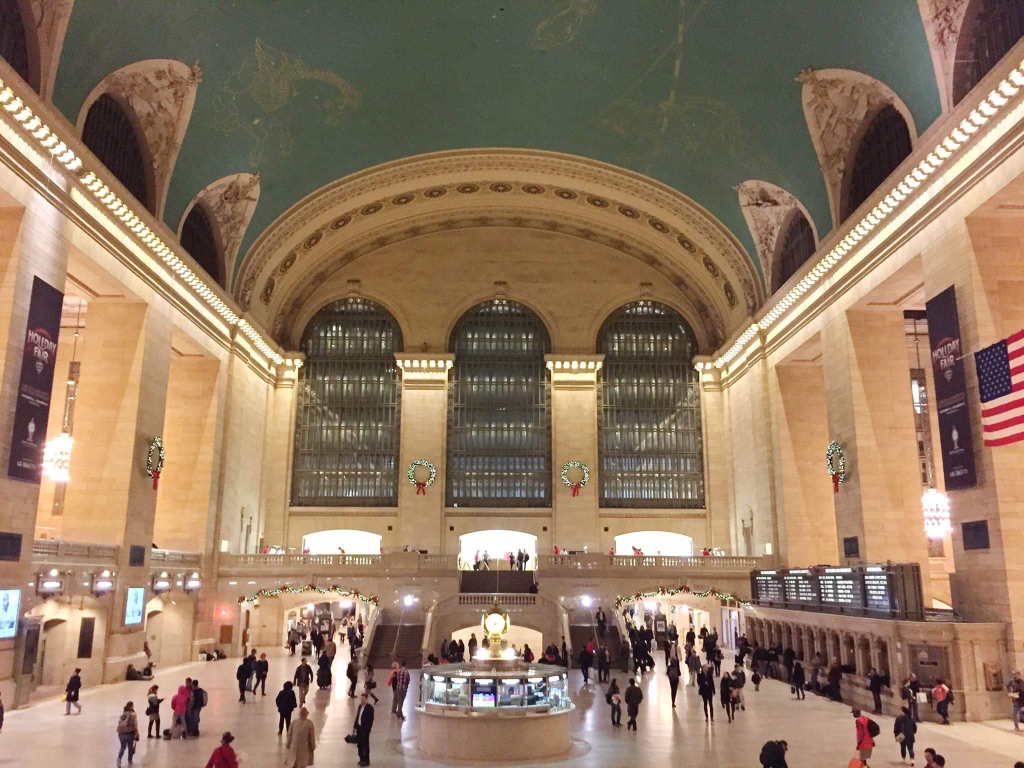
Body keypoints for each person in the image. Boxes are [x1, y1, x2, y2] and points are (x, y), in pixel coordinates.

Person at [353, 691, 375, 766]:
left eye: (363, 699)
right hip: (359, 728)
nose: (362, 700)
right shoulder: (360, 706)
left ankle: (366, 761)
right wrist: (355, 727)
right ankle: (361, 759)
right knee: (360, 745)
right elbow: (357, 717)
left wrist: (368, 729)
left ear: (366, 699)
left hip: (365, 729)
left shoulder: (370, 708)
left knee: (365, 745)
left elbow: (371, 720)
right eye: (361, 699)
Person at [115, 701, 140, 767]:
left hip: (121, 733)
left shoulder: (123, 714)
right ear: (131, 706)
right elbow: (135, 724)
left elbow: (119, 723)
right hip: (130, 733)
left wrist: (119, 733)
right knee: (130, 747)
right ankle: (130, 760)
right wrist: (137, 733)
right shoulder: (133, 714)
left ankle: (119, 759)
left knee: (122, 747)